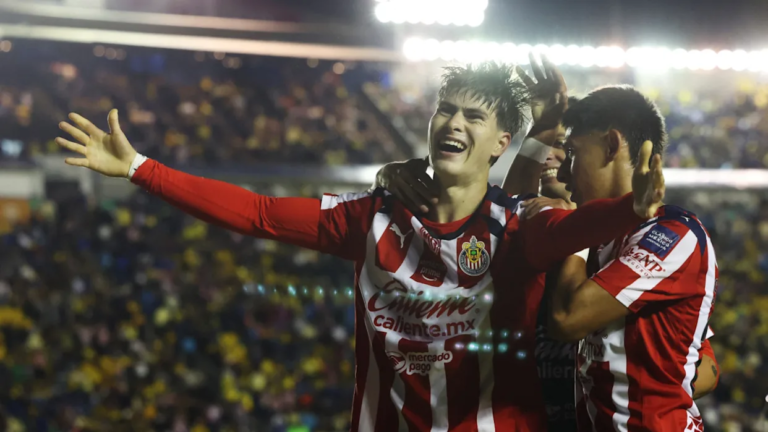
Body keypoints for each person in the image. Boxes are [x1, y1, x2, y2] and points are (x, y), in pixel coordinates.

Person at [55, 61, 665, 431]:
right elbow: (259, 213)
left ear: (500, 142)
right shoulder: (370, 217)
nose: (453, 123)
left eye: (473, 117)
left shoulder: (517, 227)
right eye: (445, 110)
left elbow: (575, 228)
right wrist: (139, 167)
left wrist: (633, 209)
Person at [374, 79, 719, 430]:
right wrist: (389, 175)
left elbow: (703, 365)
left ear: (609, 147)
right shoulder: (547, 239)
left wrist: (633, 383)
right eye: (549, 147)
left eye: (568, 149)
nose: (558, 163)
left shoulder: (653, 239)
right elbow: (506, 220)